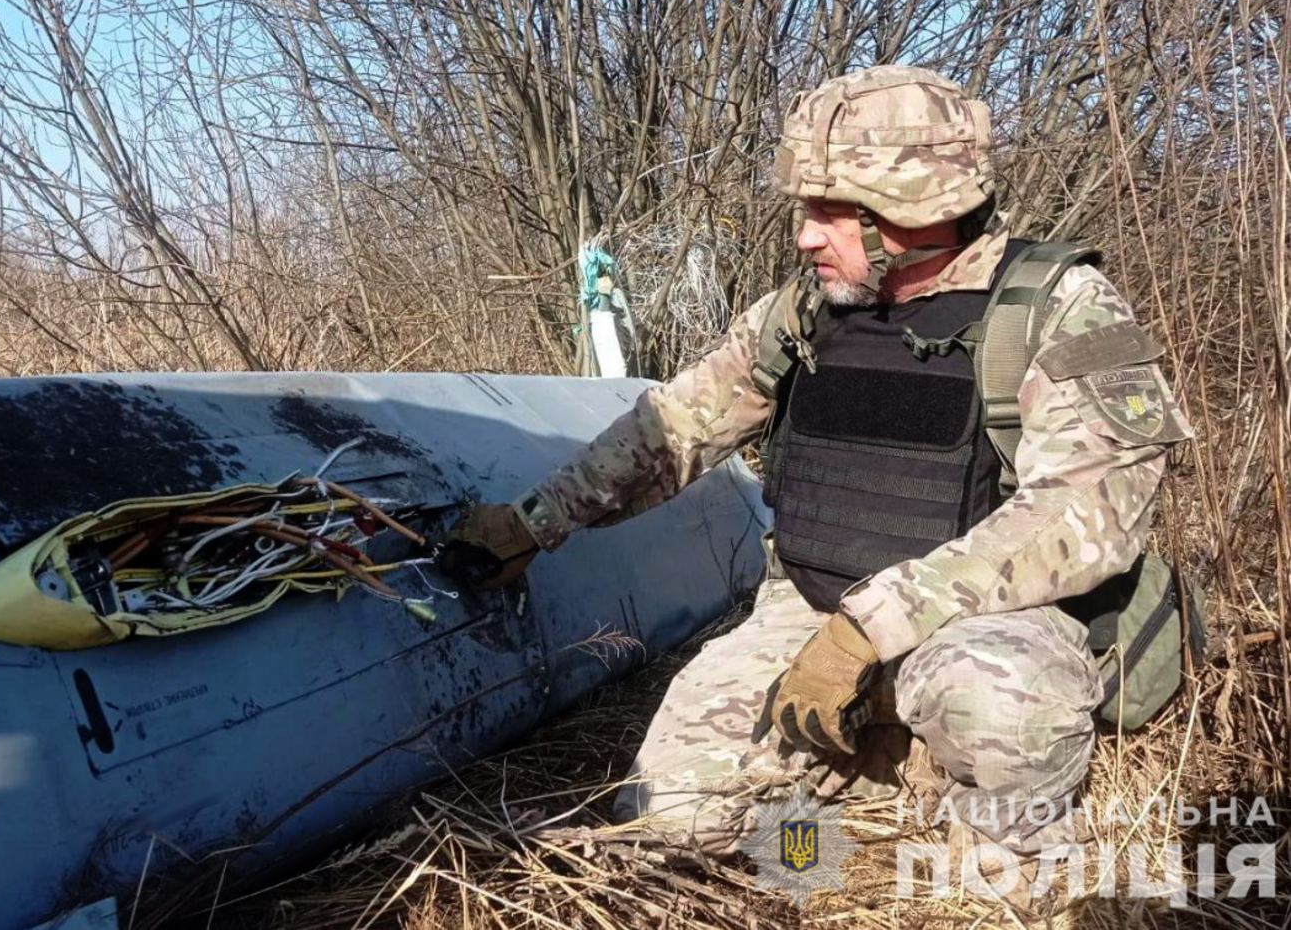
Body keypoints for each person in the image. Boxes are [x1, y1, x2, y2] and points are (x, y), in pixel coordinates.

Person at [441, 66, 1192, 861]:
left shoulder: (1061, 308)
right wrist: (533, 523)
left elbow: (1083, 517)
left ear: (915, 206)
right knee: (674, 814)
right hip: (807, 613)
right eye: (806, 209)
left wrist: (871, 628)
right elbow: (673, 427)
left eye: (832, 211)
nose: (805, 234)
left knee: (1002, 709)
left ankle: (998, 843)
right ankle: (871, 771)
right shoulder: (803, 313)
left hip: (983, 631)